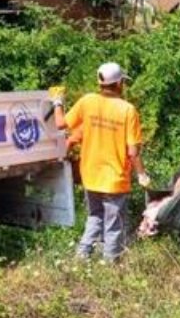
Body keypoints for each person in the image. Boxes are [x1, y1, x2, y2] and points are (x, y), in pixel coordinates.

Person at [52, 62, 149, 262]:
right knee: (113, 225)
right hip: (114, 179)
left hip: (90, 175)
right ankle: (110, 266)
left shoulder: (87, 102)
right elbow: (133, 151)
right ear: (119, 83)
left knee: (95, 216)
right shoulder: (128, 110)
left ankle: (81, 256)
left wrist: (57, 101)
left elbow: (60, 124)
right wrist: (141, 174)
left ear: (100, 83)